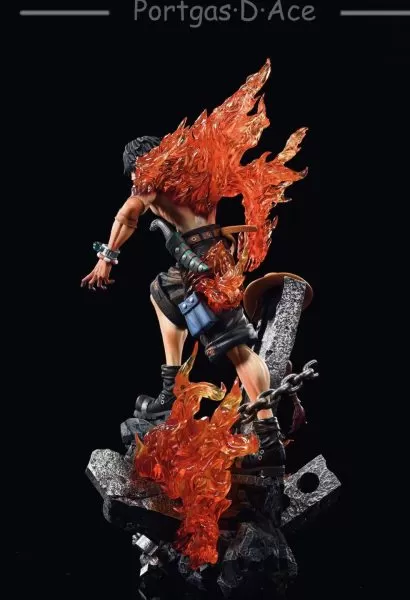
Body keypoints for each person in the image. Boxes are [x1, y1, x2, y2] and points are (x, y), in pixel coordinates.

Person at [81, 60, 308, 476]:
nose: (135, 180)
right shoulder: (195, 174)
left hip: (205, 269)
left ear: (140, 163)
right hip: (201, 263)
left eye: (134, 173)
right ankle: (171, 391)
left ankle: (269, 439)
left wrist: (105, 259)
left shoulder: (150, 179)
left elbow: (127, 215)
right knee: (162, 291)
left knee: (237, 349)